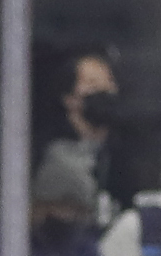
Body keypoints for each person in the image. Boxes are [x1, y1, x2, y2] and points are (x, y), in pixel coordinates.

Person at [41, 51, 132, 227]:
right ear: (69, 98)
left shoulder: (125, 151)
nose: (104, 91)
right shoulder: (52, 154)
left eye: (109, 83)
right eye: (92, 84)